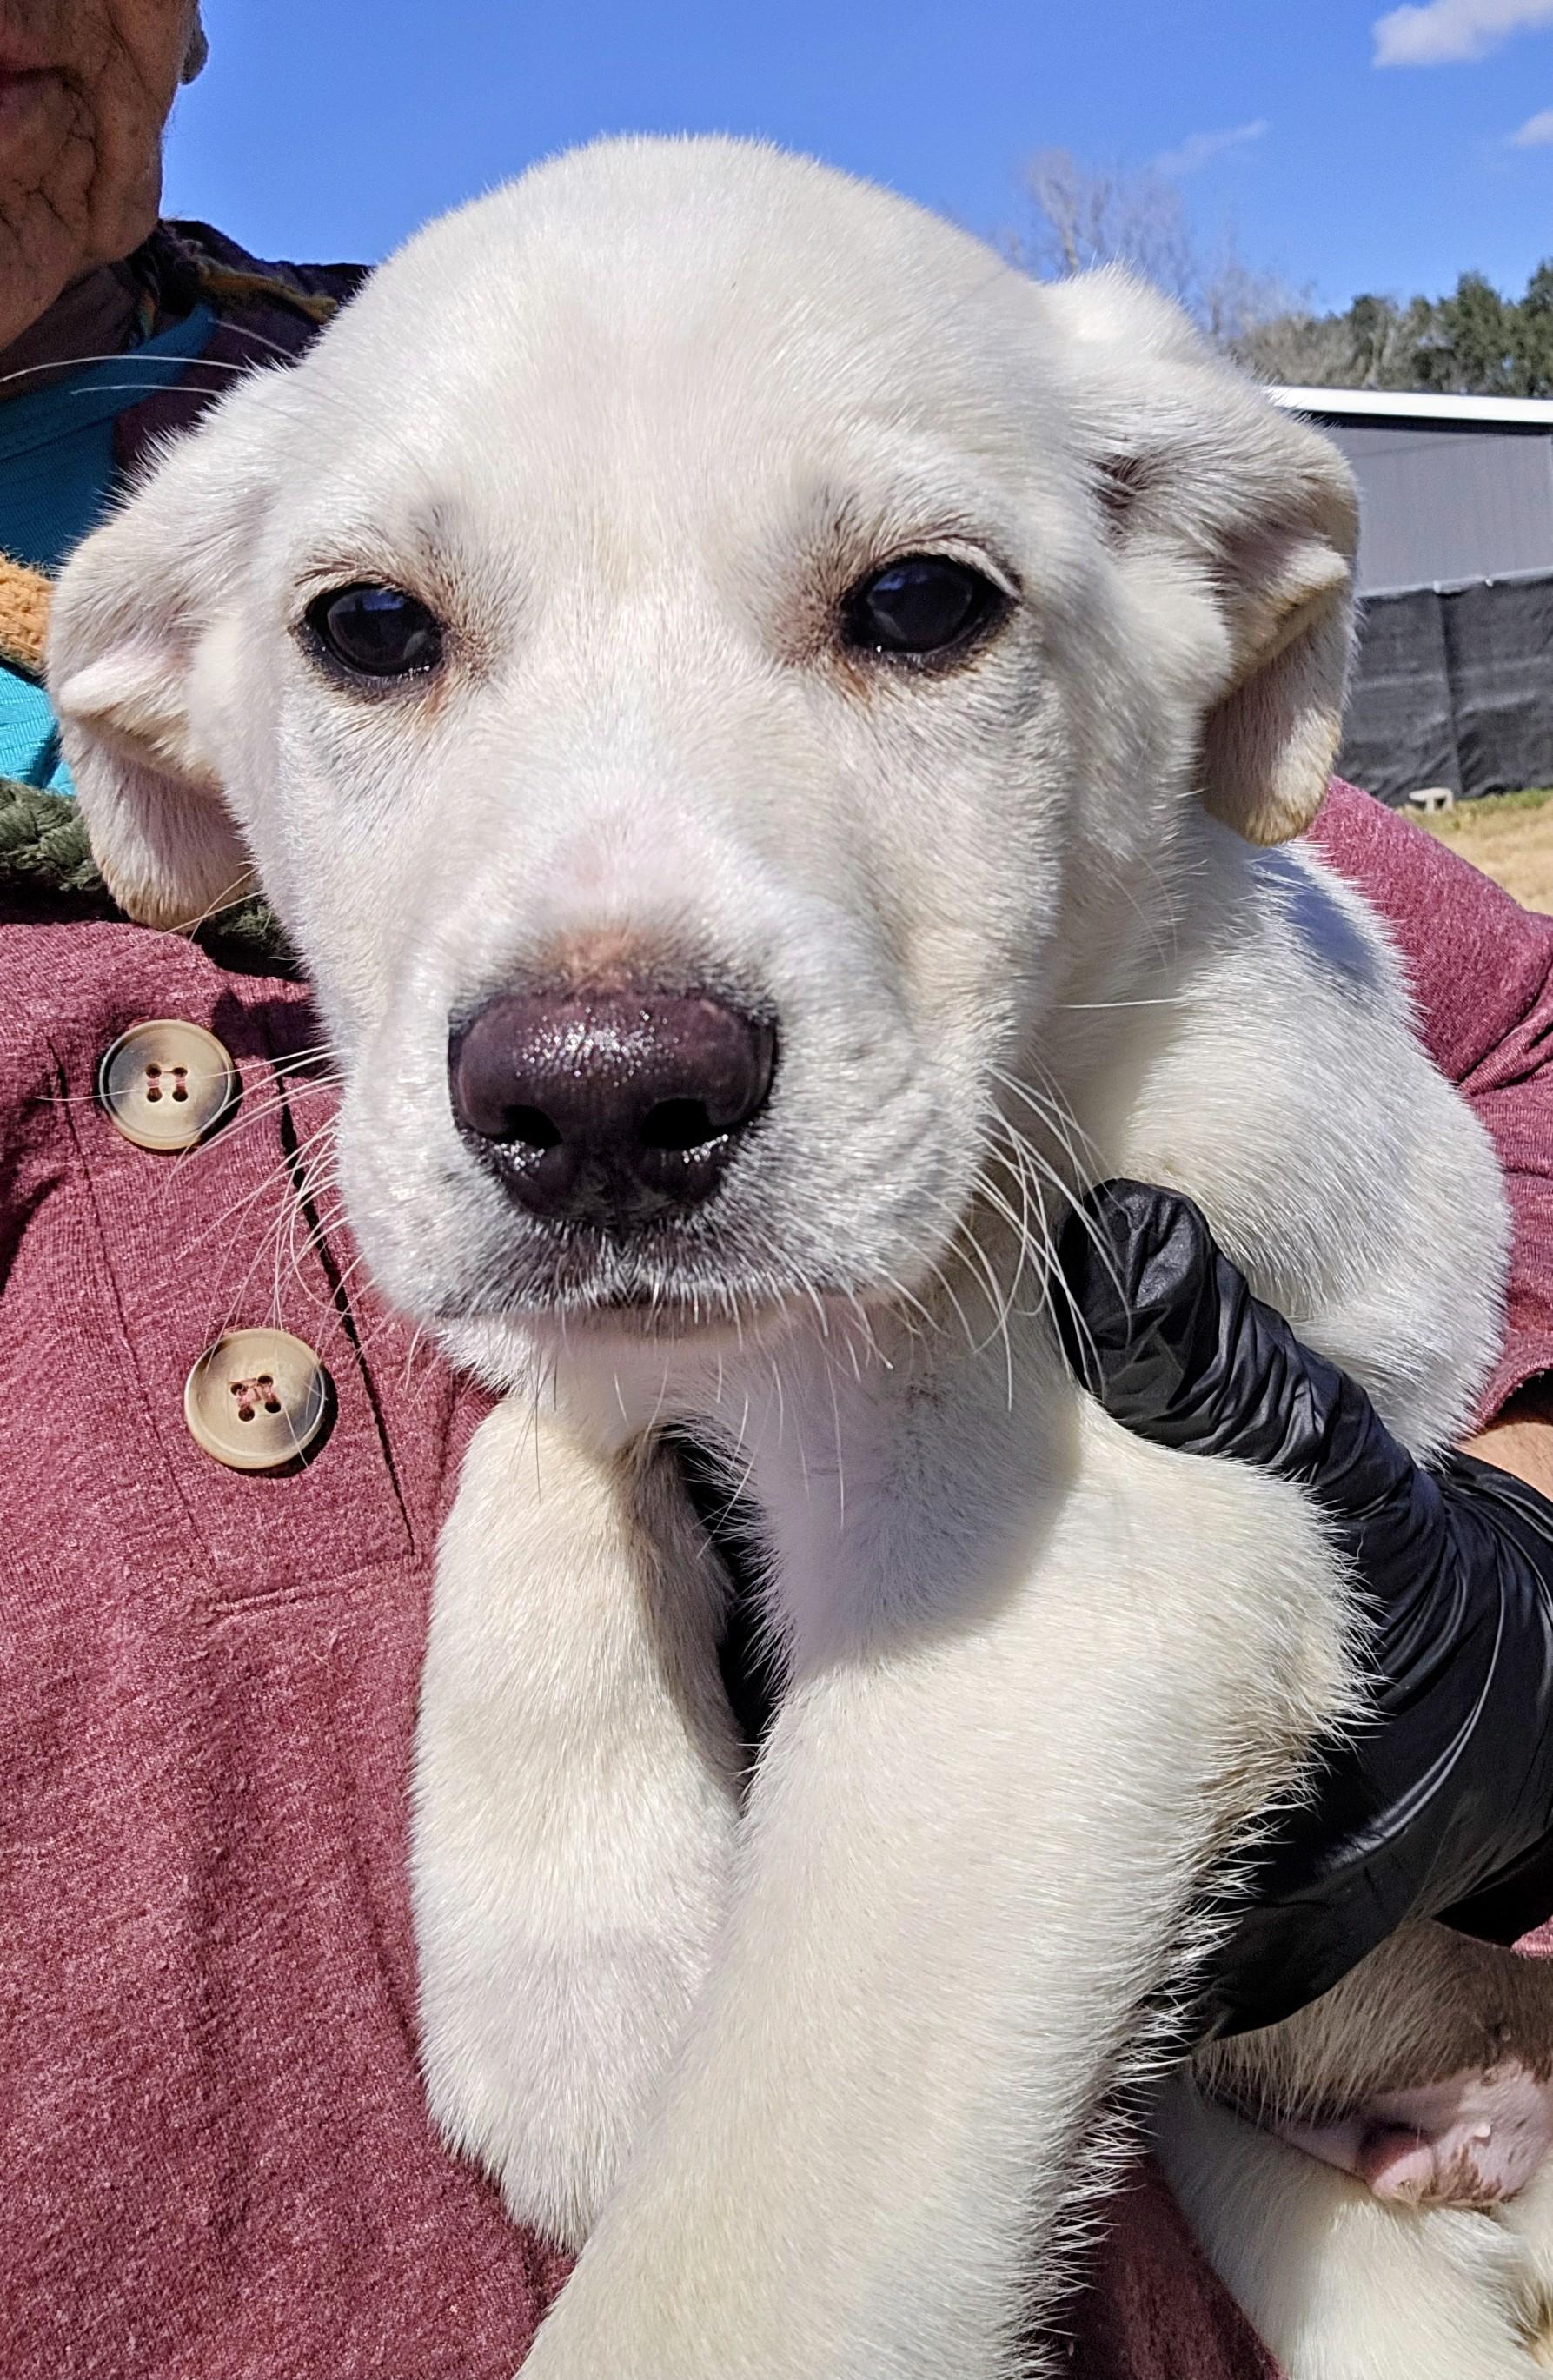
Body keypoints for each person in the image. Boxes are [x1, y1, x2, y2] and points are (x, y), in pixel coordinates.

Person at [3, 10, 1552, 2375]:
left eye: (908, 604)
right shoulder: (263, 512)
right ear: (172, 714)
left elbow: (1499, 1040)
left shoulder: (636, 349)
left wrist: (1523, 1583)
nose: (604, 1025)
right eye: (382, 638)